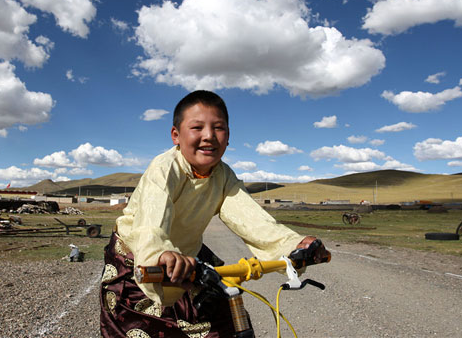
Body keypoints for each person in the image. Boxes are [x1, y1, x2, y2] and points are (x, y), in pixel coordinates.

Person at [100, 90, 327, 337]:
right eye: (197, 127)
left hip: (186, 258)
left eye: (218, 128)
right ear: (176, 135)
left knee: (223, 314)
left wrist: (293, 244)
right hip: (140, 258)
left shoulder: (224, 175)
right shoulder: (164, 169)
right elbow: (152, 222)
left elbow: (250, 218)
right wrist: (160, 253)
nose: (208, 136)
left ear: (228, 137)